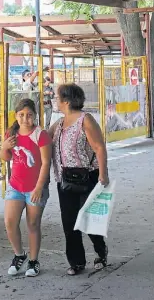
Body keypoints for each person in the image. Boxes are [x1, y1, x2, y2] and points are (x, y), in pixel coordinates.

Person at [49, 83, 109, 276]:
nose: (55, 101)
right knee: (69, 221)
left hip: (87, 177)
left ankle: (101, 251)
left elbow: (99, 147)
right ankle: (76, 262)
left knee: (89, 220)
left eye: (57, 98)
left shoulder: (86, 120)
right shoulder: (59, 123)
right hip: (64, 179)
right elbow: (42, 139)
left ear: (66, 101)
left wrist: (103, 173)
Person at [0, 98, 51, 277]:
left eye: (29, 115)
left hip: (35, 189)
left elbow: (45, 163)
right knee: (10, 222)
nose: (25, 119)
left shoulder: (41, 135)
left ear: (35, 116)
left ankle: (34, 261)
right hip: (15, 187)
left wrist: (38, 188)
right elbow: (5, 158)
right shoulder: (11, 133)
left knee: (33, 224)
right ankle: (19, 255)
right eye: (21, 115)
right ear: (16, 116)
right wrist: (4, 147)